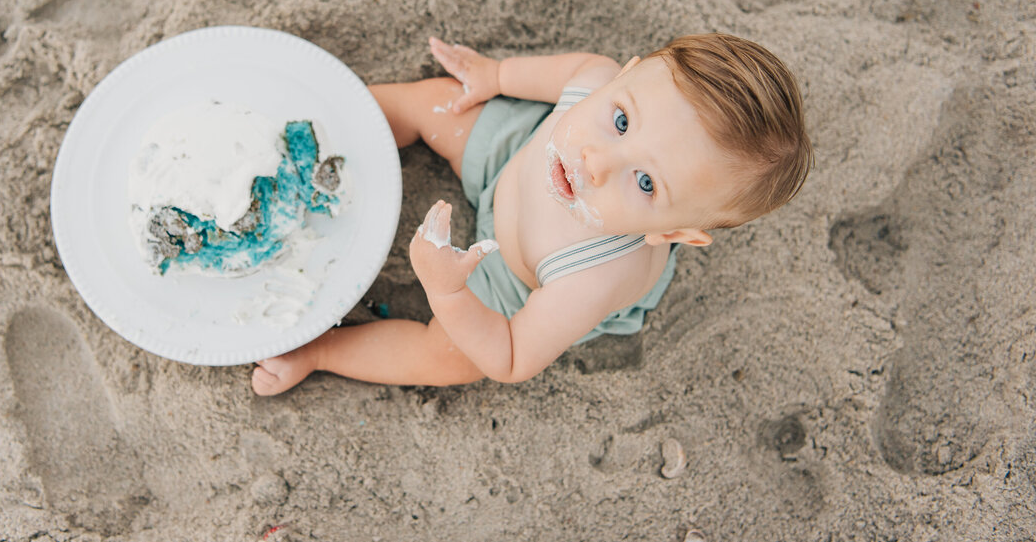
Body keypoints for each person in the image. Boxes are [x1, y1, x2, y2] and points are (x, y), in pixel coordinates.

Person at [251, 33, 811, 395]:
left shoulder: (591, 280)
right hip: (521, 155)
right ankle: (325, 132)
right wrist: (497, 77)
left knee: (448, 356)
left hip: (519, 276)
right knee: (434, 103)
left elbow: (512, 356)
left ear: (668, 233)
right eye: (620, 121)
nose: (596, 162)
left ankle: (321, 349)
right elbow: (580, 65)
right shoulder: (596, 86)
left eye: (644, 182)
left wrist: (449, 294)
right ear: (624, 78)